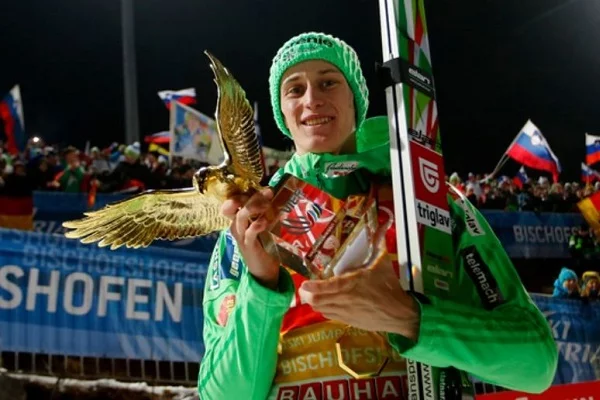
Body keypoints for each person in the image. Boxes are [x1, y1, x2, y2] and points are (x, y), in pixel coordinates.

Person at [198, 32, 557, 399]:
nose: (311, 99)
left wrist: (409, 318)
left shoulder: (428, 198)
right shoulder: (249, 228)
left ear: (355, 98)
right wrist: (261, 287)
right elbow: (223, 396)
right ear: (281, 113)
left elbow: (537, 362)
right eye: (294, 89)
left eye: (328, 82)